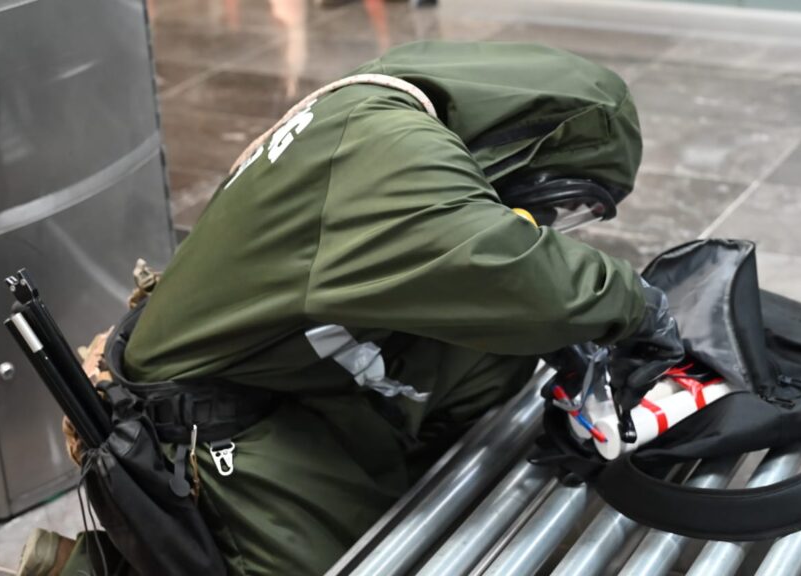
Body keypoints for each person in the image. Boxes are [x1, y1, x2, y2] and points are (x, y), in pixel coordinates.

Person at [117, 40, 681, 576]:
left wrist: (557, 333)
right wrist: (636, 305)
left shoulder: (381, 113)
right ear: (532, 148)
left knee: (495, 352)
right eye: (566, 204)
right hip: (217, 426)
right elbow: (492, 259)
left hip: (283, 368)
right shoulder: (381, 146)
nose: (556, 224)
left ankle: (423, 479)